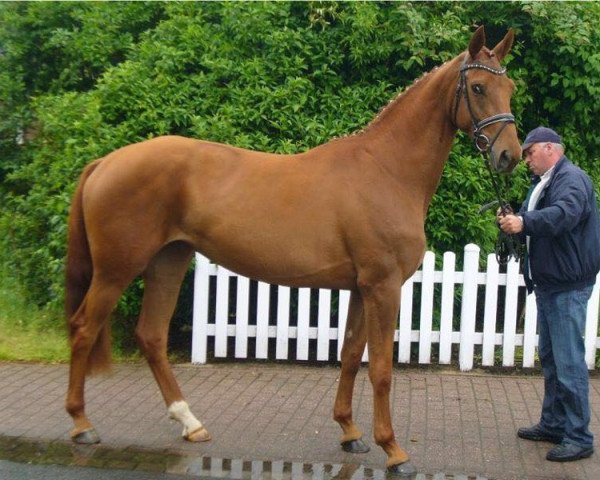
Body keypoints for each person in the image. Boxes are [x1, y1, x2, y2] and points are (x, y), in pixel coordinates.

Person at [498, 126, 600, 462]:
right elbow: (539, 215)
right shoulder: (544, 183)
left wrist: (524, 223)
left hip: (567, 286)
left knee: (569, 362)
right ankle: (555, 423)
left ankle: (579, 436)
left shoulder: (572, 179)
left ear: (549, 149)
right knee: (554, 359)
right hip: (551, 284)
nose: (525, 159)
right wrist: (515, 217)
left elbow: (563, 216)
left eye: (529, 152)